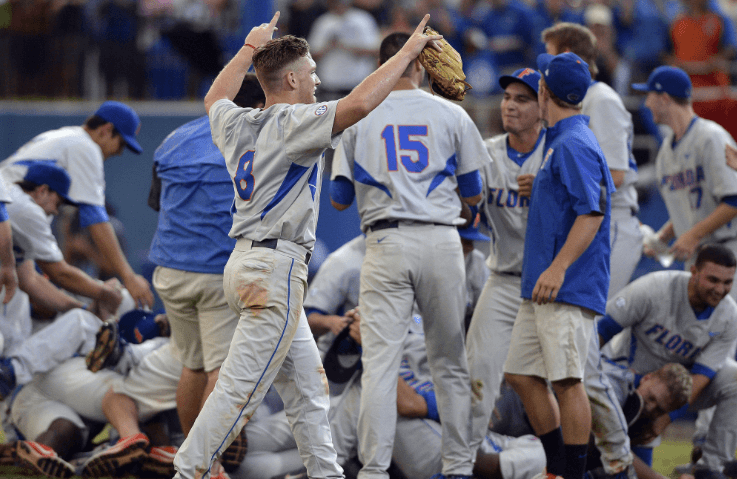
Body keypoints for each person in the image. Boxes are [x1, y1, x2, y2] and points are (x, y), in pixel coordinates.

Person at [173, 12, 445, 479]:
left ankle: (326, 474)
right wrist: (405, 55)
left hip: (249, 264)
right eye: (313, 71)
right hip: (273, 271)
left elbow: (215, 95)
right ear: (293, 78)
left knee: (308, 392)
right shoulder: (295, 121)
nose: (318, 79)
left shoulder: (238, 121)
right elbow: (359, 104)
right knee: (238, 393)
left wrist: (248, 48)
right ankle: (187, 472)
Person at [330, 28, 489, 478]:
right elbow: (475, 194)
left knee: (379, 365)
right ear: (419, 63)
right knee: (450, 362)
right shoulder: (452, 115)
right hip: (441, 239)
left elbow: (339, 197)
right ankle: (459, 468)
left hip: (385, 241)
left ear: (381, 65)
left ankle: (374, 470)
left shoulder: (359, 116)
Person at [502, 52, 613, 479]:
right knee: (520, 374)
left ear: (544, 91)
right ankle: (559, 466)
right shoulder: (562, 140)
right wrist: (543, 189)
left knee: (567, 381)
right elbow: (575, 202)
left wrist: (559, 268)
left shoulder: (572, 143)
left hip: (563, 285)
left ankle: (578, 471)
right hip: (544, 287)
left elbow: (592, 213)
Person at [147, 73, 265, 443]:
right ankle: (207, 462)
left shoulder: (174, 138)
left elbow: (155, 202)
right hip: (217, 271)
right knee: (222, 371)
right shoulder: (254, 138)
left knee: (192, 367)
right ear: (258, 105)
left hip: (169, 269)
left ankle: (191, 456)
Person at [595, 244, 737, 477]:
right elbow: (602, 330)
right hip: (628, 379)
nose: (720, 289)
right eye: (713, 280)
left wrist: (666, 417)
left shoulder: (729, 316)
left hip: (676, 393)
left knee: (734, 378)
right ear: (694, 271)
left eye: (727, 283)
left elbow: (700, 378)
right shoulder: (655, 288)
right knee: (613, 463)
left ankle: (711, 467)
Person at [0, 101, 154, 309]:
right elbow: (95, 218)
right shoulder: (85, 146)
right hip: (10, 204)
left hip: (7, 208)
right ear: (106, 130)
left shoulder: (67, 137)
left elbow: (32, 280)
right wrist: (128, 277)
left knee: (20, 290)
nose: (119, 152)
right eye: (122, 143)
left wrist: (82, 311)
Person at [467, 66, 546, 456]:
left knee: (573, 379)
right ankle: (465, 460)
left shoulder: (559, 153)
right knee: (477, 370)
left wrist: (550, 193)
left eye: (522, 99)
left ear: (543, 106)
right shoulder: (487, 153)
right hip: (503, 277)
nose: (510, 106)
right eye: (507, 98)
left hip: (552, 284)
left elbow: (595, 217)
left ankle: (586, 462)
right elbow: (466, 215)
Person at [541, 22, 642, 299]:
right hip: (590, 220)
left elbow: (616, 175)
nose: (544, 61)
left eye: (549, 52)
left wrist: (555, 187)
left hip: (613, 221)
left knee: (595, 320)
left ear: (567, 54)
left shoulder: (601, 99)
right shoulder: (575, 101)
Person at [633, 66, 737, 299]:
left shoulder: (711, 137)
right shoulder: (665, 154)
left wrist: (693, 235)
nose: (647, 104)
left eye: (649, 96)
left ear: (664, 98)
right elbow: (690, 205)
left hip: (727, 252)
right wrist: (662, 238)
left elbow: (733, 199)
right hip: (697, 258)